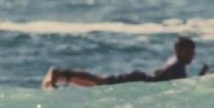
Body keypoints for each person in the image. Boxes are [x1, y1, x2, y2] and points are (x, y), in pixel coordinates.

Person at [42, 36, 203, 88]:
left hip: (140, 78)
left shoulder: (175, 63)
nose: (192, 56)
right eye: (189, 52)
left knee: (100, 84)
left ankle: (63, 76)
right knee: (101, 81)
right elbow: (166, 80)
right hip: (138, 80)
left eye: (193, 52)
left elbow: (161, 74)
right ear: (178, 51)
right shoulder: (178, 66)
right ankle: (60, 73)